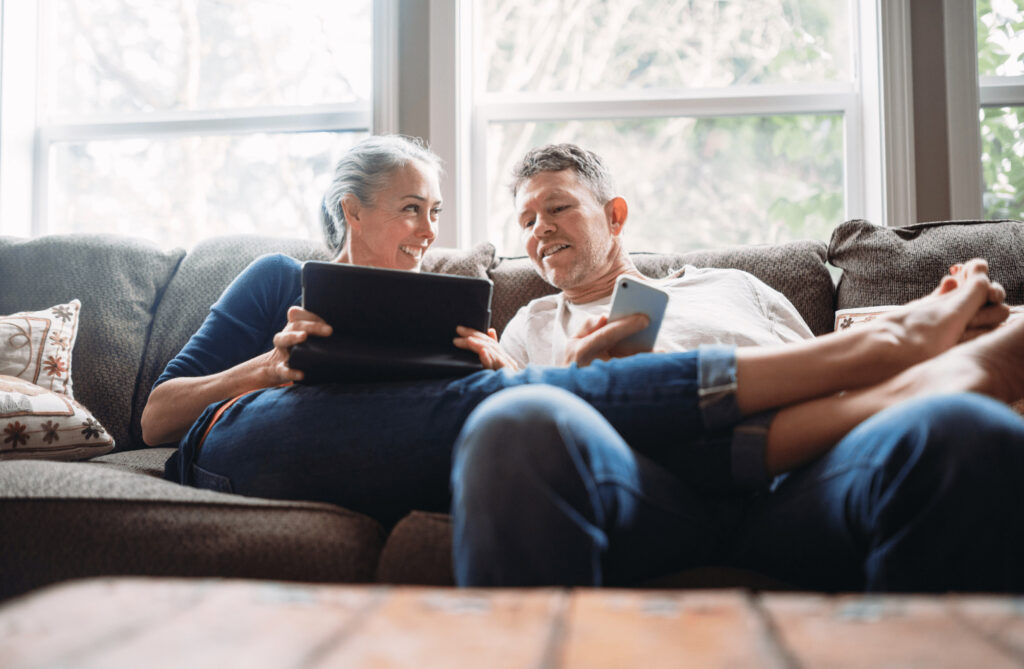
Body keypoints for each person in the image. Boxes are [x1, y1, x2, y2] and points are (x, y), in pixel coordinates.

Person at [449, 143, 1024, 592]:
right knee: (517, 418)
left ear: (615, 215)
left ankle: (919, 378)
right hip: (646, 494)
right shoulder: (531, 323)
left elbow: (829, 388)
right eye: (525, 222)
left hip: (791, 490)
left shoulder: (734, 287)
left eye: (557, 208)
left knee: (960, 428)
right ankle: (911, 363)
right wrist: (529, 379)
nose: (539, 229)